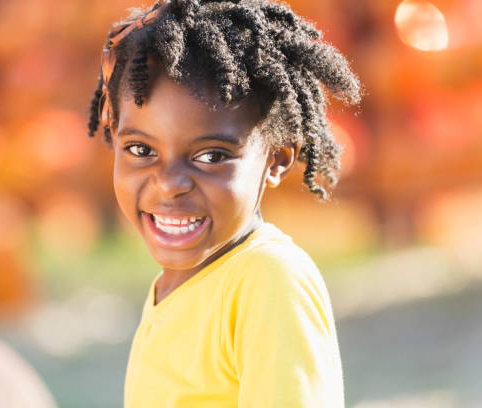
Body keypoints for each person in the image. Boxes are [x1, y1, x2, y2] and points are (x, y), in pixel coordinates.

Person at [87, 0, 361, 406]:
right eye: (141, 149)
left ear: (277, 159)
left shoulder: (267, 279)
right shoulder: (178, 285)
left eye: (212, 156)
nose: (169, 184)